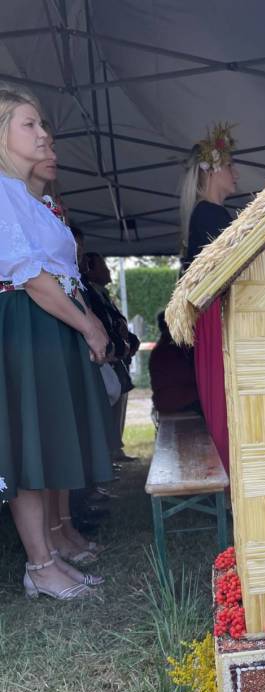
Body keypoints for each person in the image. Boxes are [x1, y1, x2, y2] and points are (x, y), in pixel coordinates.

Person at [0, 85, 112, 599]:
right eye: (30, 124)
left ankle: (49, 552)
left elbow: (63, 273)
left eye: (42, 124)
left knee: (44, 438)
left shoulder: (30, 199)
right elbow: (31, 277)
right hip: (26, 322)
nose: (43, 134)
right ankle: (39, 565)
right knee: (29, 443)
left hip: (47, 322)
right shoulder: (2, 193)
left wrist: (86, 318)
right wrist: (87, 325)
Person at [179, 122, 237, 472]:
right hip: (218, 315)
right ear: (213, 171)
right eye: (230, 166)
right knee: (226, 396)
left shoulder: (205, 213)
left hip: (212, 314)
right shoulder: (211, 214)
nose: (236, 173)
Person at [81, 251, 140, 461]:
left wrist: (129, 341)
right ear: (90, 269)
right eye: (103, 266)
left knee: (118, 405)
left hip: (118, 356)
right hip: (106, 357)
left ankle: (115, 448)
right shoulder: (87, 293)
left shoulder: (102, 294)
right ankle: (108, 453)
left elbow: (117, 322)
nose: (107, 271)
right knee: (108, 404)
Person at [149, 311, 200, 416]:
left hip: (172, 398)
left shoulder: (162, 349)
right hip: (178, 399)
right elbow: (189, 375)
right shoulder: (169, 350)